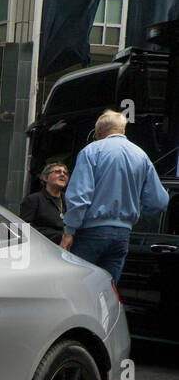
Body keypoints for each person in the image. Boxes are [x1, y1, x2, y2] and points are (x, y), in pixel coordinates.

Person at [61, 109, 169, 283]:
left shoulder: (91, 151)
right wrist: (138, 209)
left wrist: (69, 231)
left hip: (91, 233)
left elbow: (80, 197)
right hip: (122, 235)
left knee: (79, 288)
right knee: (108, 292)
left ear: (99, 132)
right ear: (122, 130)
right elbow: (160, 201)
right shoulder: (141, 156)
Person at [19, 161, 69, 243]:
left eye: (65, 173)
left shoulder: (69, 200)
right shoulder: (34, 199)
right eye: (57, 172)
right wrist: (57, 235)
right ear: (45, 178)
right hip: (43, 246)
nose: (62, 174)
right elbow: (25, 228)